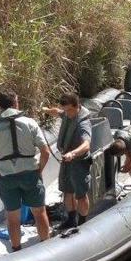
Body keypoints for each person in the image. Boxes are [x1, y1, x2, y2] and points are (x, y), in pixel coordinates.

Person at [0, 90, 51, 251]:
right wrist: (39, 169)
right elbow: (45, 151)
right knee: (39, 212)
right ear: (15, 103)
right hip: (30, 175)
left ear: (0, 106)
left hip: (7, 178)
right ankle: (46, 246)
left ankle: (16, 249)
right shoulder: (30, 123)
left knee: (12, 217)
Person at [43, 93, 92, 229]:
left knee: (81, 194)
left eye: (69, 110)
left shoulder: (83, 123)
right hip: (66, 160)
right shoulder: (66, 114)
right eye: (65, 110)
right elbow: (58, 112)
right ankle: (71, 219)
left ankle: (83, 222)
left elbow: (87, 144)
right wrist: (47, 111)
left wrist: (73, 153)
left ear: (77, 107)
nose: (67, 113)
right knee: (67, 190)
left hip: (79, 162)